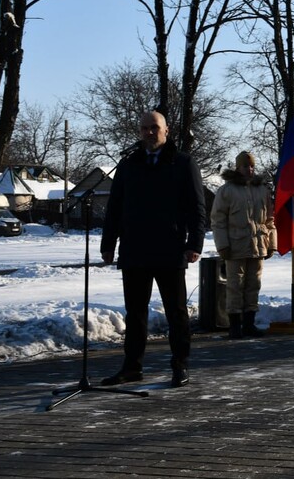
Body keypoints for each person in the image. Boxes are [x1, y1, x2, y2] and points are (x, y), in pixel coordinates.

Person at [100, 110, 206, 388]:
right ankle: (132, 367)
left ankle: (179, 364)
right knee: (134, 314)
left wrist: (194, 243)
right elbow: (114, 207)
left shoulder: (183, 163)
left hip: (169, 250)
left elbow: (197, 208)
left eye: (154, 128)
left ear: (166, 131)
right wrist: (108, 243)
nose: (149, 133)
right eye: (144, 128)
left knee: (176, 312)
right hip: (134, 250)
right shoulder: (128, 164)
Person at [210, 151, 277, 339]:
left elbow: (269, 219)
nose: (249, 169)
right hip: (235, 246)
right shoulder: (226, 191)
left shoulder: (262, 190)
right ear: (237, 167)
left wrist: (271, 244)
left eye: (252, 166)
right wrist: (222, 246)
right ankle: (235, 326)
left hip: (257, 245)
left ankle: (249, 324)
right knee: (234, 286)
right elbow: (218, 220)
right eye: (245, 166)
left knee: (253, 285)